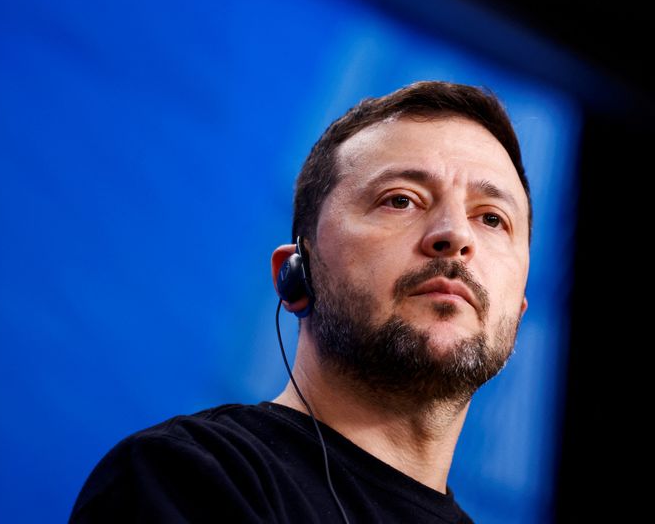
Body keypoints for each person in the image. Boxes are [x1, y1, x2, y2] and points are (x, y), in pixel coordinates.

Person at [69, 81, 531, 523]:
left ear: (519, 311)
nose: (455, 235)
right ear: (296, 274)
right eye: (401, 200)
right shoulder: (184, 476)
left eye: (492, 218)